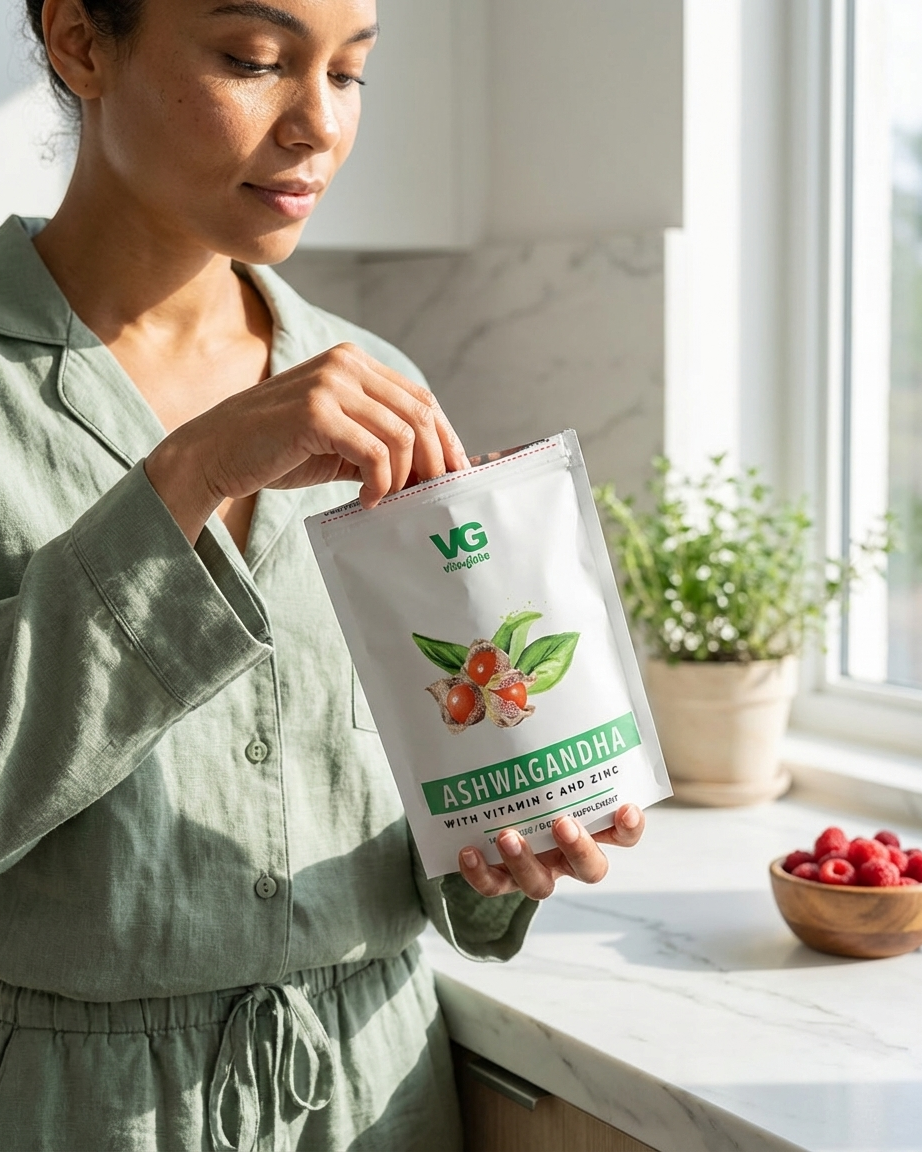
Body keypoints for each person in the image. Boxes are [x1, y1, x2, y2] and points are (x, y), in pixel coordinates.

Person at [0, 0, 647, 1147]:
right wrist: (192, 471)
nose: (318, 126)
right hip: (71, 1109)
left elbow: (412, 791)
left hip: (374, 1095)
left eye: (348, 74)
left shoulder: (376, 384)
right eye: (255, 60)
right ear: (80, 42)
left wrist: (498, 851)